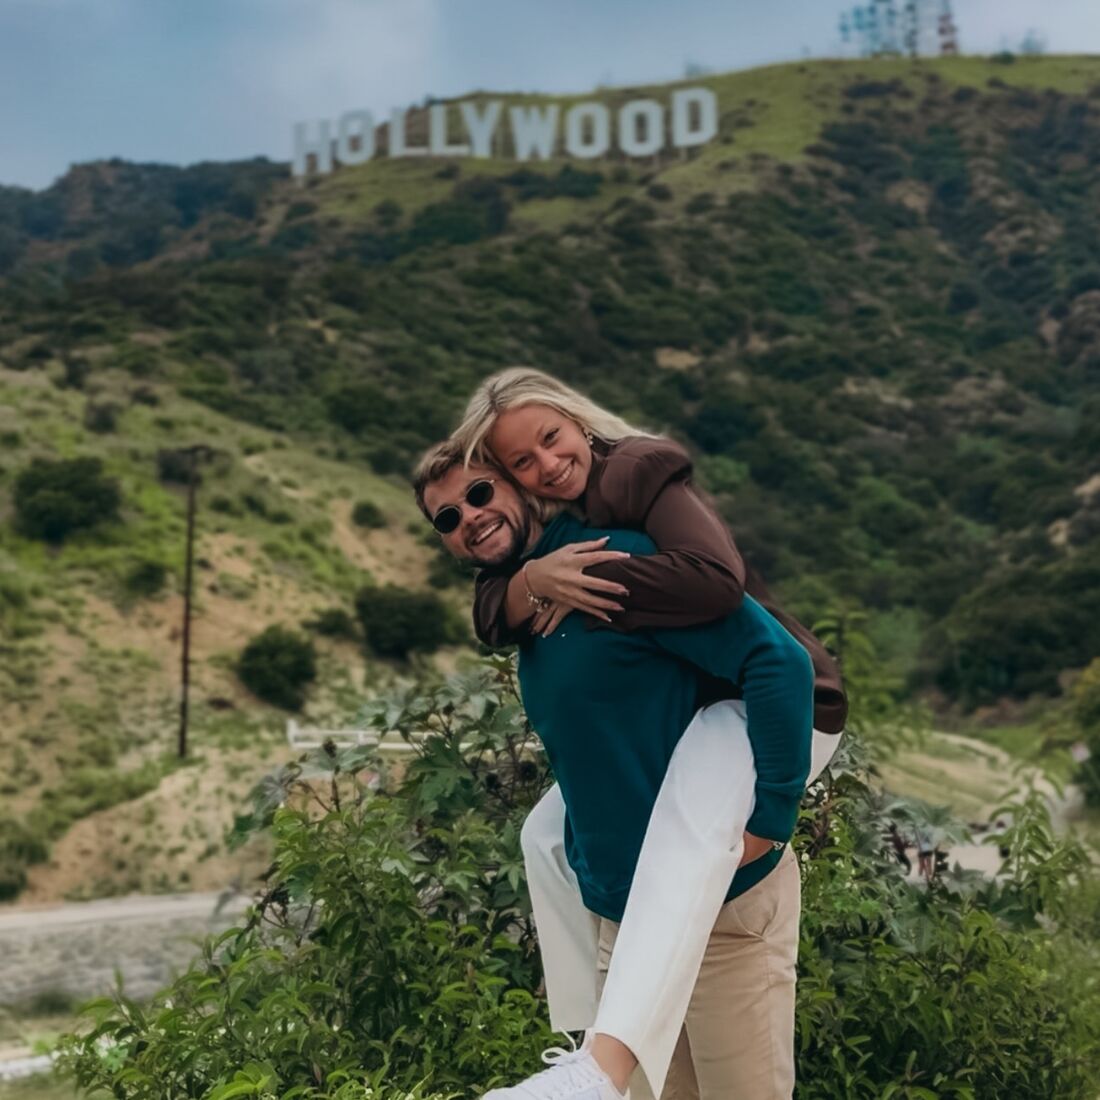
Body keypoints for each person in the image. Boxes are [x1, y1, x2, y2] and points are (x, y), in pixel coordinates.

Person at [446, 368, 846, 1096]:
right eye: (521, 464)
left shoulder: (631, 499)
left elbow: (732, 600)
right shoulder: (537, 569)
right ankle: (585, 1044)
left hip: (783, 712)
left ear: (579, 424)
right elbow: (487, 616)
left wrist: (774, 814)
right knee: (544, 838)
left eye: (550, 441)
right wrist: (532, 583)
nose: (546, 466)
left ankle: (595, 1072)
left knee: (689, 820)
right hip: (628, 913)